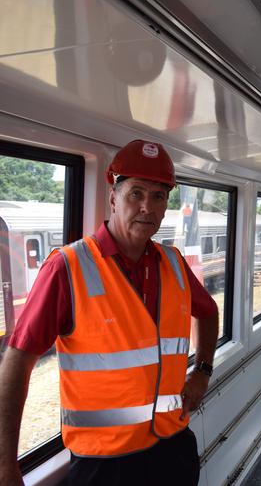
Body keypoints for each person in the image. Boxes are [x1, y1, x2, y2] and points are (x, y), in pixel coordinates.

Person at [0, 140, 219, 486]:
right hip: (104, 466)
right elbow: (17, 361)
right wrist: (5, 466)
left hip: (172, 451)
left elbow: (207, 312)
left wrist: (202, 372)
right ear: (113, 196)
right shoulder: (67, 268)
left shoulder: (174, 264)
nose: (148, 207)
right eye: (136, 193)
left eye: (159, 196)